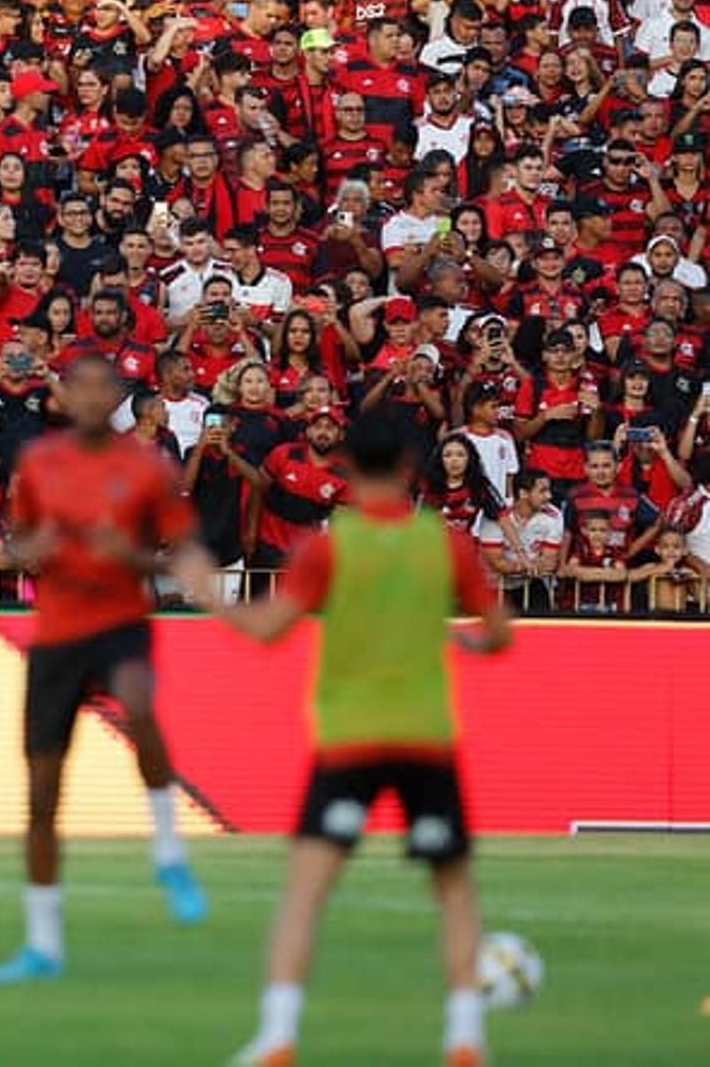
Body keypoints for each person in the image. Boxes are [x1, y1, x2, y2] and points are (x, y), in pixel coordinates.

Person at [179, 408, 512, 1067]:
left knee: (306, 889)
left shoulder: (331, 547)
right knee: (453, 890)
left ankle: (278, 1036)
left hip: (350, 738)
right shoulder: (443, 544)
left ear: (349, 467)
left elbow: (269, 629)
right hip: (425, 735)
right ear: (412, 469)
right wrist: (468, 643)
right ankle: (465, 1037)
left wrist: (209, 596)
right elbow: (500, 632)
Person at [0, 355, 217, 984]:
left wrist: (143, 559)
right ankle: (42, 943)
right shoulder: (39, 463)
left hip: (119, 624)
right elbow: (17, 544)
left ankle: (168, 850)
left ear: (116, 397)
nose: (89, 400)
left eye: (101, 389)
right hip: (57, 635)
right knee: (41, 796)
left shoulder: (144, 467)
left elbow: (183, 549)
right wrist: (24, 552)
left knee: (139, 703)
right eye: (79, 389)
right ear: (63, 397)